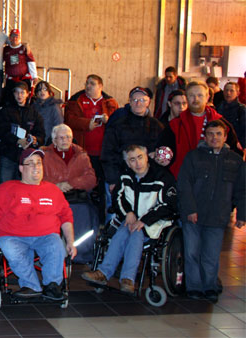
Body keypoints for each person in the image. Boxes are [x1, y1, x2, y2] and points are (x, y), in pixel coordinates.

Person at [82, 144, 177, 294]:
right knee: (127, 229)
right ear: (127, 163)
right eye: (132, 160)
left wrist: (144, 220)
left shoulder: (162, 177)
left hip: (154, 224)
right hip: (129, 221)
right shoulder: (125, 176)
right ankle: (117, 277)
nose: (137, 163)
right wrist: (128, 213)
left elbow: (169, 205)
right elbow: (117, 198)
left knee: (135, 231)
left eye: (140, 157)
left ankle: (117, 275)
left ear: (147, 156)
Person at [0, 148, 76, 300]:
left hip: (46, 235)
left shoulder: (53, 190)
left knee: (56, 246)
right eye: (30, 164)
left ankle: (52, 285)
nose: (36, 167)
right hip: (12, 235)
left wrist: (71, 242)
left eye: (39, 163)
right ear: (21, 168)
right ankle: (31, 285)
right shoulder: (6, 188)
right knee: (11, 249)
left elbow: (66, 217)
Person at [177, 120, 245, 302]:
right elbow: (184, 185)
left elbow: (242, 190)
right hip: (193, 215)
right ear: (205, 136)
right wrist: (190, 209)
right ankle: (194, 287)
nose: (214, 138)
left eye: (218, 134)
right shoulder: (193, 157)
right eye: (210, 134)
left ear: (225, 136)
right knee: (192, 253)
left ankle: (210, 286)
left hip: (218, 216)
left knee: (211, 255)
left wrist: (242, 214)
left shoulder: (235, 161)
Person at [158, 81, 241, 177]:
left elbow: (236, 154)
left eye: (200, 95)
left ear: (207, 98)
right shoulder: (174, 125)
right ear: (187, 98)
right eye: (191, 95)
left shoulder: (223, 125)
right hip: (182, 180)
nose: (196, 99)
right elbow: (164, 151)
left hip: (214, 182)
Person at [41, 124, 98, 262]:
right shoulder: (43, 155)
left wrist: (72, 184)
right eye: (61, 138)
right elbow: (38, 178)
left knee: (85, 212)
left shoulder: (81, 155)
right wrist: (57, 185)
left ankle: (80, 253)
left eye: (68, 137)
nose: (65, 140)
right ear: (54, 140)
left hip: (76, 197)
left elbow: (91, 179)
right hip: (52, 196)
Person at [101, 87, 164, 193]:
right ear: (129, 102)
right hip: (122, 179)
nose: (138, 103)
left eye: (142, 100)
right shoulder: (117, 125)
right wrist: (112, 180)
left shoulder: (157, 126)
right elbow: (107, 154)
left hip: (150, 181)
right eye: (134, 100)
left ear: (148, 102)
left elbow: (163, 150)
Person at [64, 74, 118, 180]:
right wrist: (86, 124)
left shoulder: (110, 103)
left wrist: (109, 120)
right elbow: (69, 120)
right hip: (82, 150)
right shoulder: (76, 100)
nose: (88, 86)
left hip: (103, 152)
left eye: (92, 84)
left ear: (100, 86)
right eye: (86, 83)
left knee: (101, 182)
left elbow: (118, 124)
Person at [0, 81, 45, 183]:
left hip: (26, 158)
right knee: (5, 188)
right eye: (16, 92)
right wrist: (17, 141)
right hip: (8, 155)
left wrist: (34, 140)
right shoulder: (5, 111)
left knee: (24, 188)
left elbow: (41, 134)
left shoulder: (34, 113)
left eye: (22, 92)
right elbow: (1, 131)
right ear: (13, 94)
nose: (19, 95)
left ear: (27, 94)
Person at [1, 29, 37, 105]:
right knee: (10, 99)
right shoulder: (6, 49)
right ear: (10, 38)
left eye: (16, 36)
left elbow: (31, 61)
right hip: (11, 80)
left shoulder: (24, 48)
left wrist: (34, 76)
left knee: (24, 100)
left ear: (19, 37)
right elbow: (0, 61)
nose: (15, 38)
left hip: (24, 79)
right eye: (13, 36)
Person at [217, 82, 246, 146]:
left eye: (231, 91)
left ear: (238, 93)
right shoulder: (218, 107)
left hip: (237, 145)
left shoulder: (242, 110)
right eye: (226, 90)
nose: (228, 93)